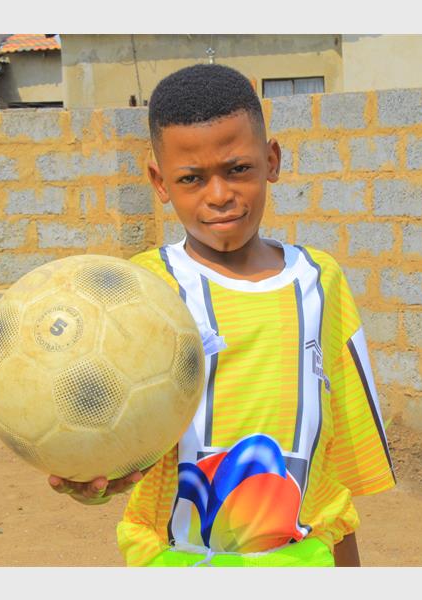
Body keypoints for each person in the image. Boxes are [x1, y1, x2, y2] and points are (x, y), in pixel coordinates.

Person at [48, 63, 396, 567]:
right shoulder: (142, 291)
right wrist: (93, 473)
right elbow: (113, 429)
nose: (219, 195)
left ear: (271, 160)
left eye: (237, 170)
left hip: (300, 559)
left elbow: (332, 473)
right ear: (160, 181)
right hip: (175, 558)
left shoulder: (320, 281)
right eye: (191, 178)